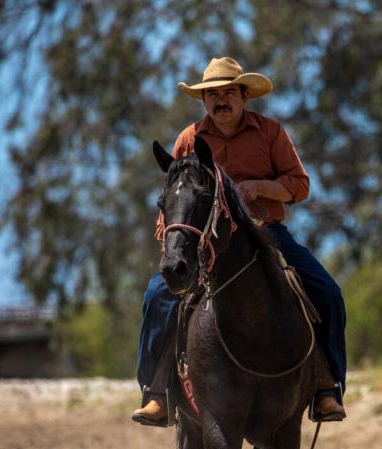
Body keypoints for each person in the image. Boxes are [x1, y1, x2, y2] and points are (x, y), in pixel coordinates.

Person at [132, 57, 347, 426]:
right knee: (156, 297)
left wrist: (257, 188)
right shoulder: (188, 139)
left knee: (326, 291)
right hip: (205, 242)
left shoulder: (270, 132)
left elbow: (300, 185)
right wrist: (172, 244)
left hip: (267, 235)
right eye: (212, 94)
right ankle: (157, 393)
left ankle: (327, 387)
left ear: (244, 95)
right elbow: (176, 197)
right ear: (203, 102)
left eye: (228, 92)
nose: (220, 101)